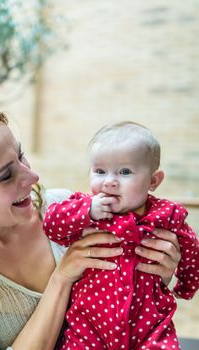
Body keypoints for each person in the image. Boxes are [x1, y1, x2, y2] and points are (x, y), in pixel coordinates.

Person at [0, 103, 182, 350]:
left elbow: (131, 302)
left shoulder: (66, 207)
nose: (33, 177)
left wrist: (157, 271)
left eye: (21, 155)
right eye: (5, 175)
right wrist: (61, 278)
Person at [43, 121, 199, 350]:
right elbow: (52, 224)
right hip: (89, 324)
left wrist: (186, 285)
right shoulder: (84, 208)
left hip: (149, 323)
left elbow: (190, 246)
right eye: (99, 171)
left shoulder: (166, 214)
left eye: (124, 172)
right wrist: (87, 212)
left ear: (153, 181)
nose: (109, 181)